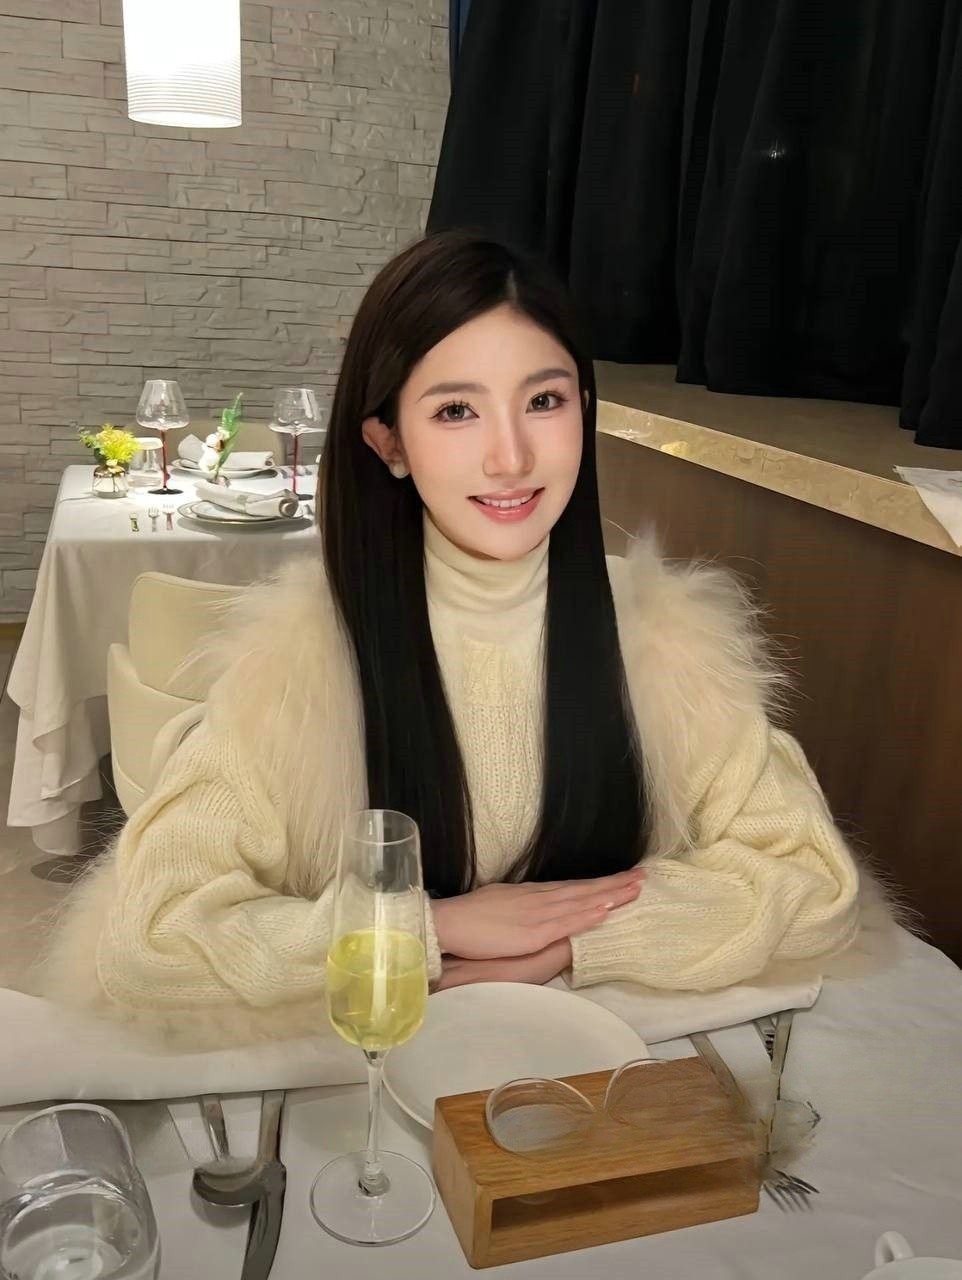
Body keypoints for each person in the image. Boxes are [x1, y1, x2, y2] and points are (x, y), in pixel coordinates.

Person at [44, 232, 861, 1048]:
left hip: (602, 1076)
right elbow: (153, 936)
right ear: (389, 443)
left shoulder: (665, 641)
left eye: (544, 401)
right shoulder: (298, 664)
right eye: (456, 411)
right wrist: (428, 928)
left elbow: (812, 882)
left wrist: (570, 943)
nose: (511, 457)